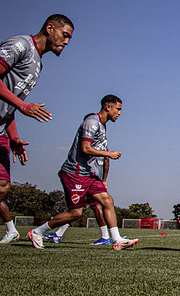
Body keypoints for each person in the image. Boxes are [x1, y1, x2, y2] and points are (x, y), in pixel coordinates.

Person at [27, 95, 138, 250]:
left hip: (88, 174)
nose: (119, 113)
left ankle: (116, 240)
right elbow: (85, 149)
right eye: (118, 109)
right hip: (75, 173)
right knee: (76, 213)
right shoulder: (92, 122)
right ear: (108, 107)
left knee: (107, 201)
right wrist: (109, 154)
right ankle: (38, 232)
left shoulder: (102, 125)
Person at [0, 14, 74, 244]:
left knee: (3, 186)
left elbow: (9, 101)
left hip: (2, 130)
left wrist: (14, 136)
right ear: (50, 28)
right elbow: (17, 102)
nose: (67, 42)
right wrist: (23, 105)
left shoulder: (38, 64)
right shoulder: (20, 45)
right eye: (65, 35)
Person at [43, 154, 112, 244]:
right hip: (90, 178)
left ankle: (106, 237)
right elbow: (106, 161)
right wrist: (104, 179)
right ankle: (59, 234)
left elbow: (104, 159)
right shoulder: (101, 146)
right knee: (77, 208)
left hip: (86, 178)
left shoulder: (89, 147)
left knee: (93, 206)